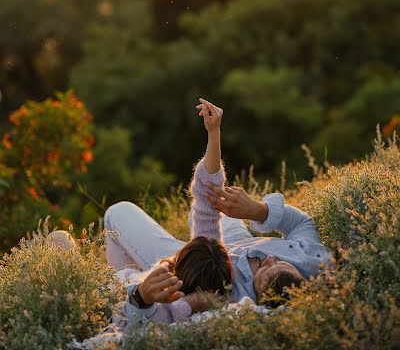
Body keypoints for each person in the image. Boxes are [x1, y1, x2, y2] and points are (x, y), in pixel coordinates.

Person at [104, 98, 332, 324]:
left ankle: (129, 268)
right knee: (221, 208)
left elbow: (152, 318)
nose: (270, 258)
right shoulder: (314, 262)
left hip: (196, 263)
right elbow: (301, 224)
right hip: (233, 244)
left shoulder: (224, 294)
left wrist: (145, 295)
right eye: (281, 263)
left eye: (263, 269)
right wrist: (257, 211)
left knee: (118, 213)